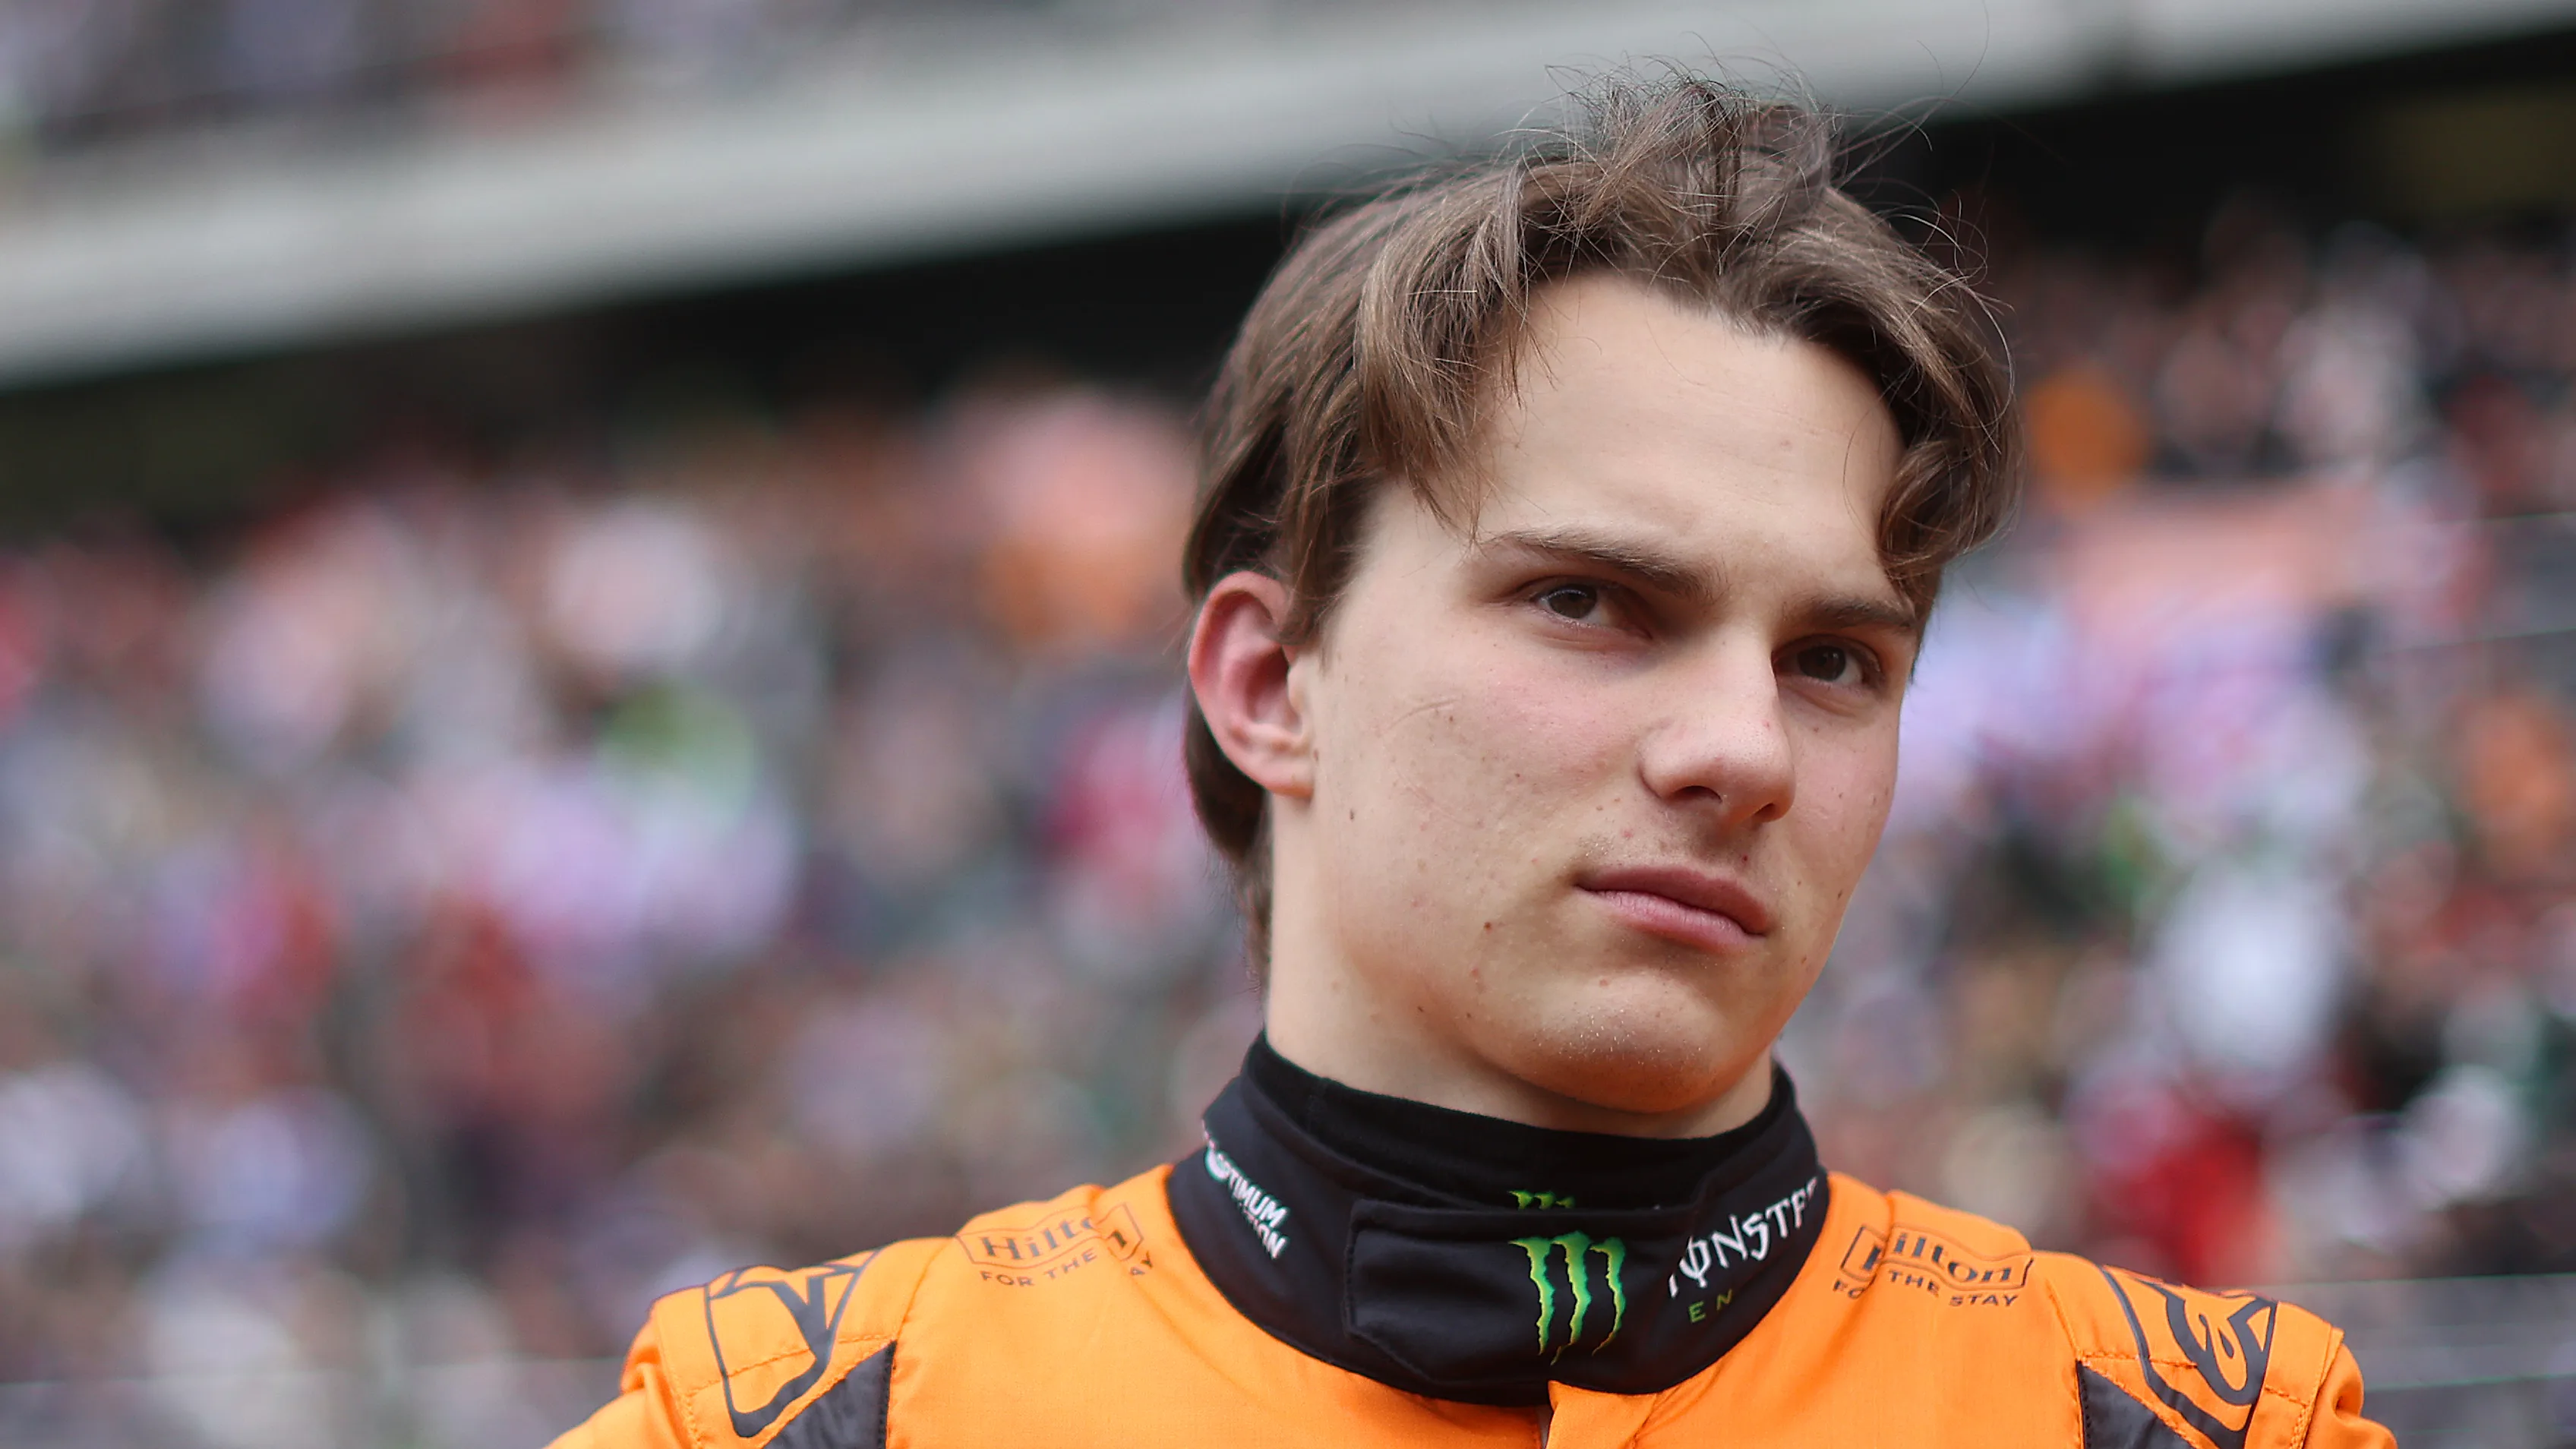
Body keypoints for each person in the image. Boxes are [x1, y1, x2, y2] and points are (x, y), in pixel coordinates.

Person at [551, 74, 2390, 1448]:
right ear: (1268, 683)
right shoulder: (824, 1419)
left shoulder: (2174, 1424)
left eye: (1832, 660)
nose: (1743, 748)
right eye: (1589, 604)